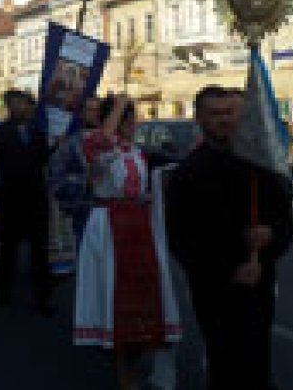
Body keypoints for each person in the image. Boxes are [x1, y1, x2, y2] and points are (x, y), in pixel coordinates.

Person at [167, 85, 293, 390]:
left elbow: (284, 220)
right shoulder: (189, 172)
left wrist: (271, 236)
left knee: (259, 358)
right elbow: (182, 238)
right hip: (216, 287)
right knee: (225, 363)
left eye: (230, 112)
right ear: (199, 118)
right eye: (215, 113)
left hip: (259, 280)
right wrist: (228, 269)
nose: (224, 120)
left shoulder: (259, 166)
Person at [74, 94, 182, 390]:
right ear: (119, 121)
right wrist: (119, 104)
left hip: (137, 227)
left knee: (144, 298)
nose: (135, 124)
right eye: (130, 119)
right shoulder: (94, 146)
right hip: (109, 227)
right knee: (115, 295)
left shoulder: (136, 153)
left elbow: (149, 185)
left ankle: (134, 363)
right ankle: (124, 374)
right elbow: (103, 141)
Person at [0, 90, 52, 313]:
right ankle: (4, 291)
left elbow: (44, 160)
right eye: (14, 104)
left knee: (40, 251)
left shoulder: (39, 132)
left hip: (36, 198)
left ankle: (42, 298)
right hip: (10, 199)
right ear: (8, 107)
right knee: (8, 248)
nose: (20, 108)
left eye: (23, 104)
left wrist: (55, 145)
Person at [47, 96, 102, 248]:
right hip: (85, 211)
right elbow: (56, 178)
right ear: (82, 113)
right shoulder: (71, 143)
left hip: (112, 213)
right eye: (90, 110)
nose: (95, 114)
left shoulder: (113, 140)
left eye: (98, 110)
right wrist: (85, 181)